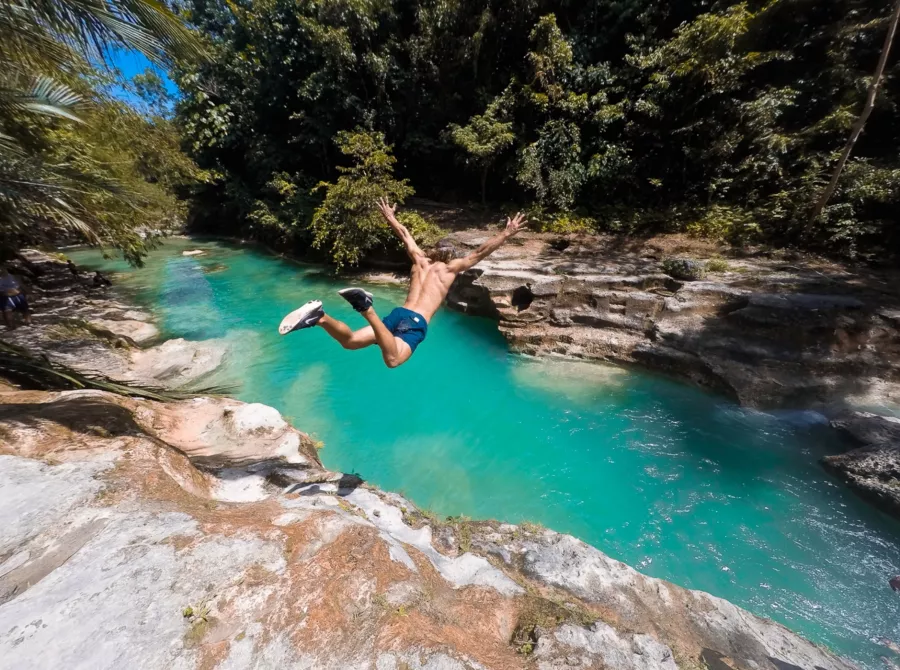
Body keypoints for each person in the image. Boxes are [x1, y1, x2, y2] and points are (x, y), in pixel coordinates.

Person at [279, 198, 527, 368]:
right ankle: (367, 308)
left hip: (399, 314)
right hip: (415, 321)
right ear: (448, 257)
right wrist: (506, 233)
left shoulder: (419, 262)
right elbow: (478, 254)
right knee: (393, 361)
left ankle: (320, 317)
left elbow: (406, 235)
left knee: (351, 342)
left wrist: (390, 217)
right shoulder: (449, 269)